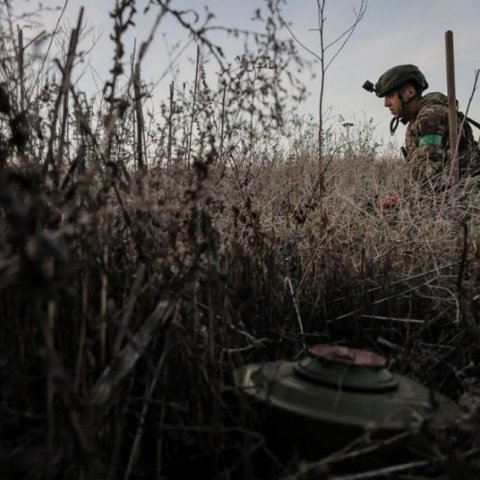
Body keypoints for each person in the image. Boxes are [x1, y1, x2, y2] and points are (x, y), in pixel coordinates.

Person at [363, 64, 479, 187]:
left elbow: (428, 172)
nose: (386, 103)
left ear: (410, 92)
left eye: (390, 96)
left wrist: (398, 195)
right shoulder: (417, 118)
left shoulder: (431, 115)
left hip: (466, 195)